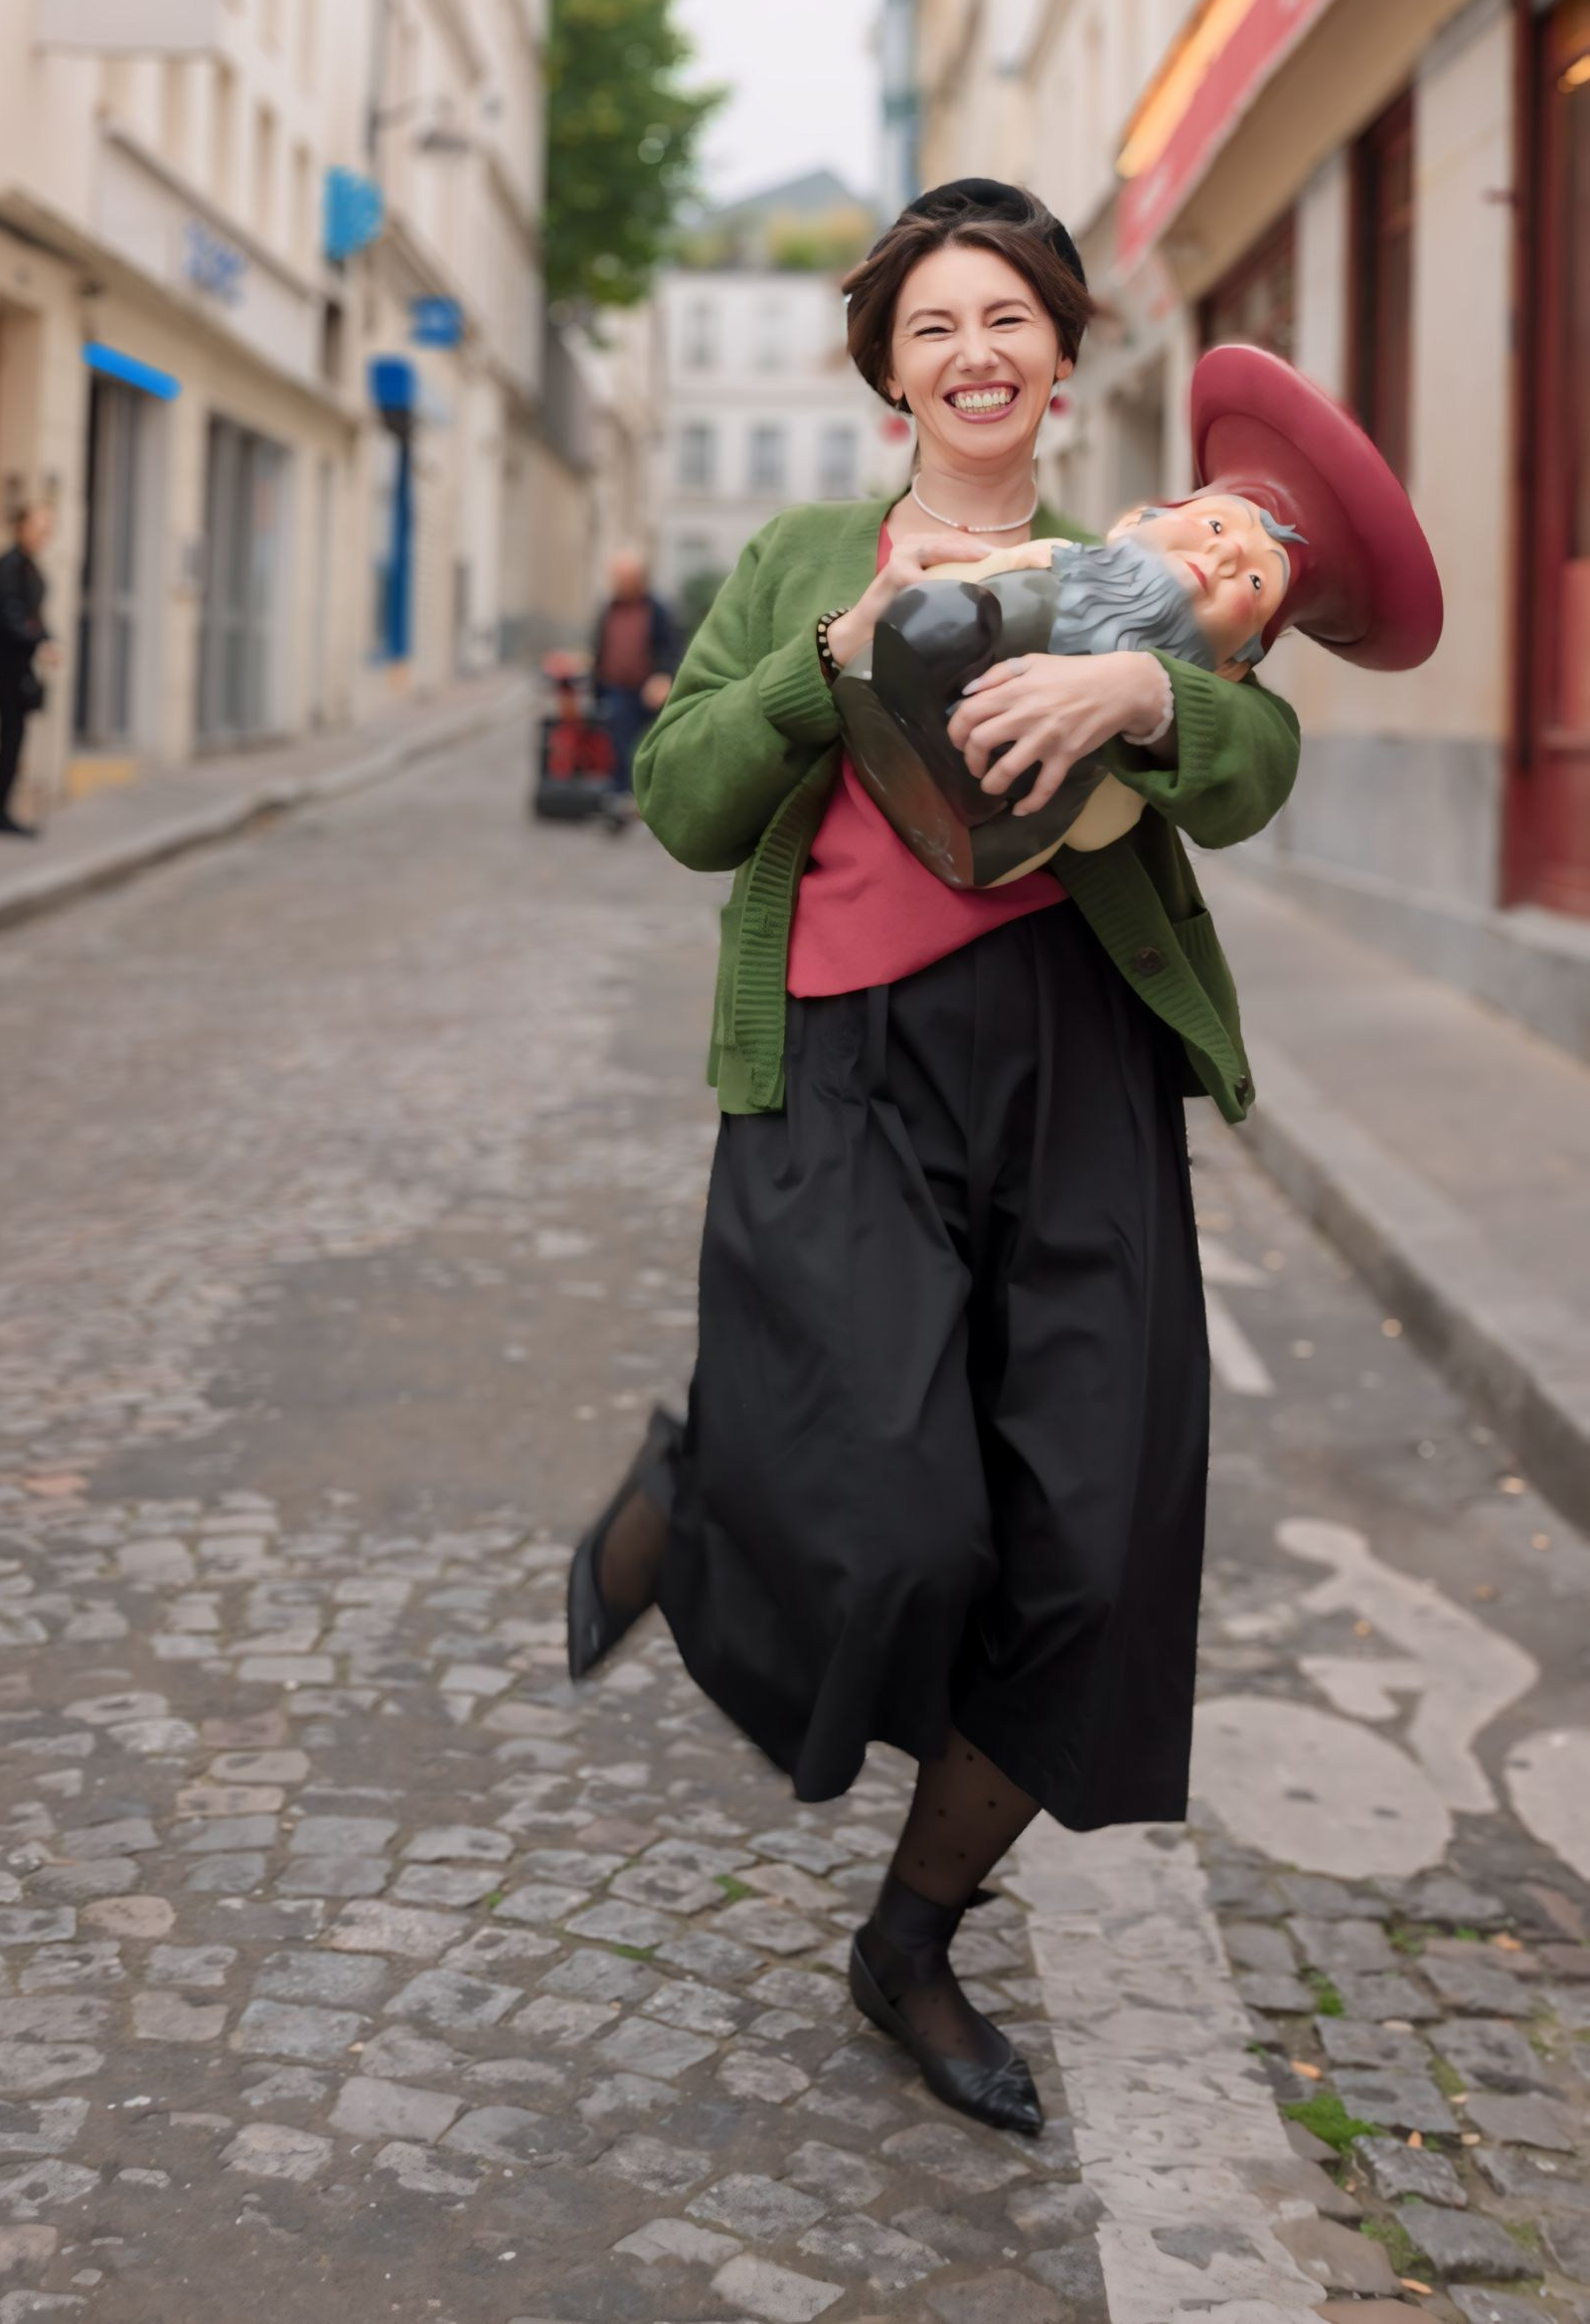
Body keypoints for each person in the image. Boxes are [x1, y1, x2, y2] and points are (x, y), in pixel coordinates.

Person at [562, 179, 1303, 2142]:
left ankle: (907, 1941)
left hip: (1076, 1082)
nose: (972, 353)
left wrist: (1141, 692)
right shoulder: (802, 550)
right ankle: (706, 1483)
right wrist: (826, 656)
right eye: (930, 326)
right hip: (841, 1074)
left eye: (1008, 320)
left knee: (1087, 1553)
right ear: (883, 372)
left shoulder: (1131, 562)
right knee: (896, 1529)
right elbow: (681, 800)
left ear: (1062, 355)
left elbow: (1250, 765)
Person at [0, 502, 53, 838]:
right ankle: (1, 812)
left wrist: (45, 638)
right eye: (39, 529)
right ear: (22, 528)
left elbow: (31, 615)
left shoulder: (27, 566)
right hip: (9, 665)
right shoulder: (10, 566)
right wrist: (37, 638)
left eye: (47, 530)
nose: (44, 537)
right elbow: (7, 615)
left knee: (15, 736)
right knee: (9, 736)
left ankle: (5, 808)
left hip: (20, 663)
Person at [588, 550, 679, 824]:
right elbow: (600, 644)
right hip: (615, 687)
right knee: (618, 742)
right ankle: (620, 797)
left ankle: (648, 799)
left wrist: (663, 675)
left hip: (647, 690)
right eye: (617, 577)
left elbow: (672, 648)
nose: (619, 583)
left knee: (648, 746)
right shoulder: (609, 608)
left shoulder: (657, 610)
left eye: (625, 578)